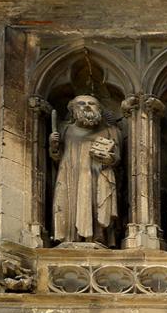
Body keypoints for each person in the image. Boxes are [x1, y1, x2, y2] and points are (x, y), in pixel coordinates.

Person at [50, 94, 122, 246]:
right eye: (81, 103)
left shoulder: (111, 131)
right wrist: (54, 146)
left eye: (92, 103)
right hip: (70, 175)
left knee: (96, 204)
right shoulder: (64, 129)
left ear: (99, 110)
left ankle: (98, 238)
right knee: (69, 205)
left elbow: (116, 158)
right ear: (73, 110)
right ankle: (70, 237)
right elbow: (56, 158)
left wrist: (107, 157)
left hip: (98, 174)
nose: (87, 106)